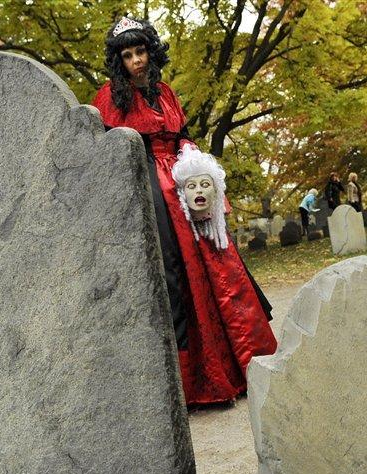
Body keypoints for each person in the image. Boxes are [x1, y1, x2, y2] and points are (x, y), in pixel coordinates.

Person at [92, 17, 277, 406]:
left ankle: (245, 365)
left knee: (219, 262)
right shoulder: (107, 98)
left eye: (141, 51)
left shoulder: (167, 92)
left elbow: (184, 136)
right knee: (176, 274)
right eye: (127, 55)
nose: (136, 60)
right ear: (118, 61)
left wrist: (199, 171)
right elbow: (107, 156)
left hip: (184, 182)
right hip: (148, 191)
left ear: (151, 52)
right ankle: (195, 384)